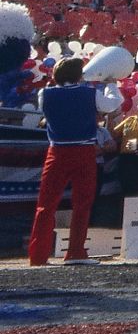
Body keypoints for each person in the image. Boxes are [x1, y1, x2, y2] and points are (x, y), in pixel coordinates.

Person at [28, 58, 101, 266]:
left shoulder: (45, 93)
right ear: (80, 74)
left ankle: (38, 256)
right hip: (84, 149)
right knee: (82, 203)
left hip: (57, 150)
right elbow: (112, 105)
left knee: (46, 204)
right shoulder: (91, 93)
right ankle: (75, 252)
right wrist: (112, 84)